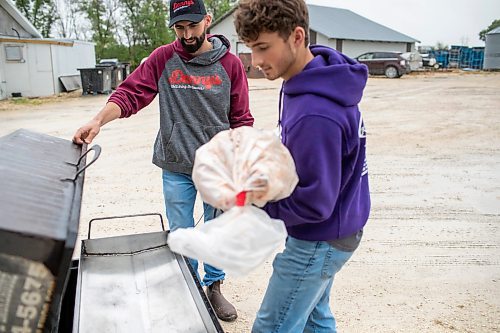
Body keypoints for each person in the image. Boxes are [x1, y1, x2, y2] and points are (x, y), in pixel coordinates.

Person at [73, 0, 254, 322]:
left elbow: (241, 118)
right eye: (179, 28)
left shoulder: (230, 64)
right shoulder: (163, 58)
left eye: (192, 26)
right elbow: (130, 94)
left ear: (207, 21)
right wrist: (98, 120)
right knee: (182, 232)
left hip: (218, 168)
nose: (186, 34)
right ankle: (191, 287)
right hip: (175, 165)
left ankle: (214, 286)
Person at [234, 0, 370, 332]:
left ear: (296, 36)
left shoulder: (316, 112)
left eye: (263, 48)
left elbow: (315, 202)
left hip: (319, 238)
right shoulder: (312, 77)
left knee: (272, 327)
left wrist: (255, 208)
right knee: (314, 318)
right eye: (251, 49)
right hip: (338, 228)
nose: (256, 62)